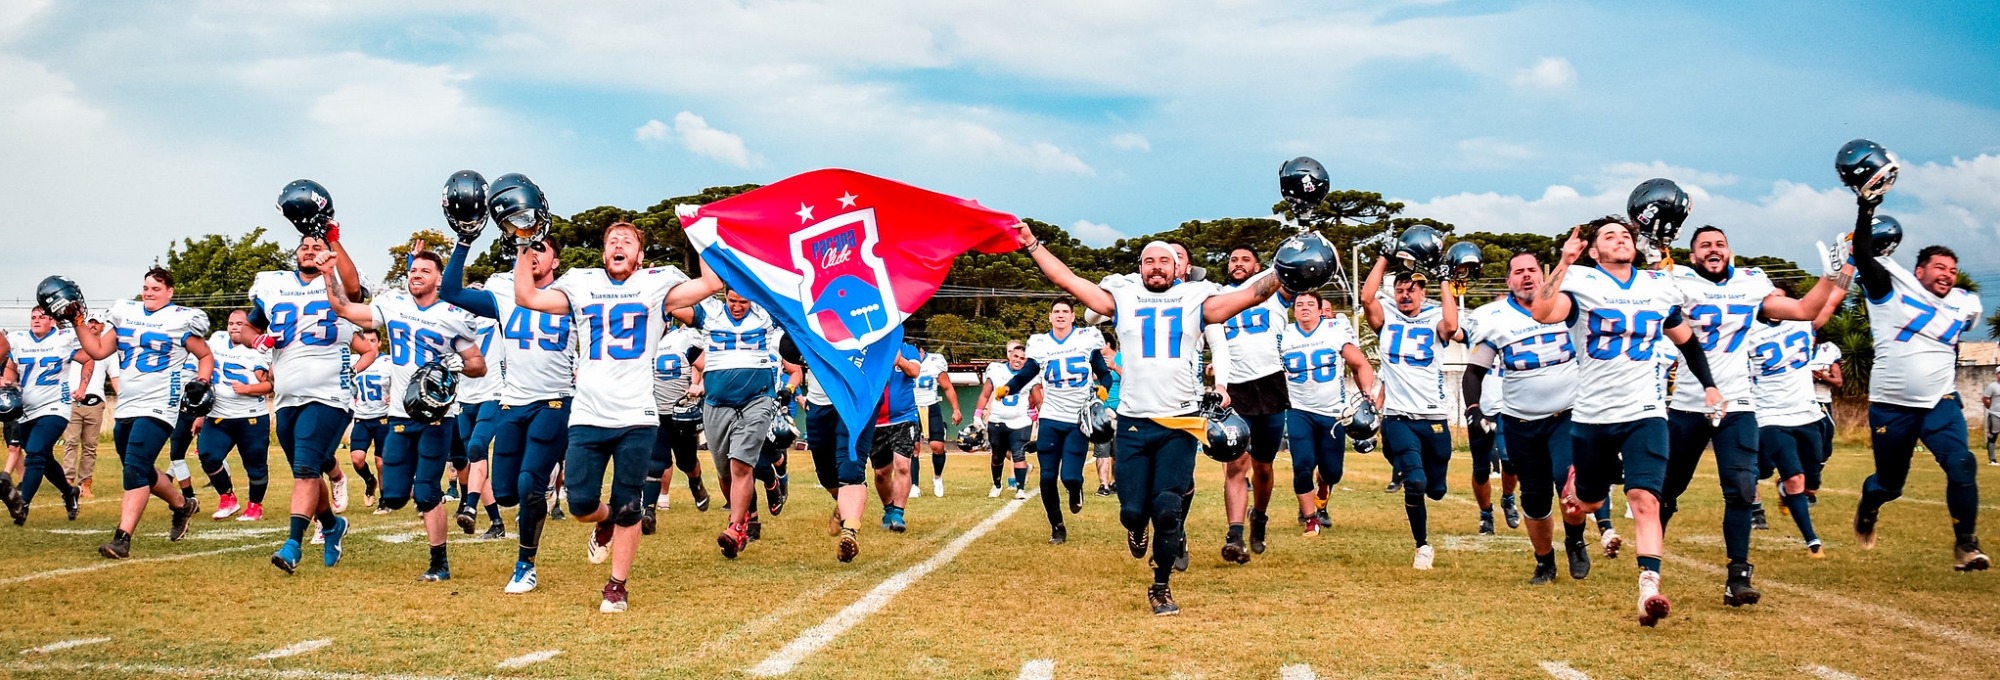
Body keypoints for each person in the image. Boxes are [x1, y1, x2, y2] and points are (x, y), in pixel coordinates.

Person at [1014, 226, 1283, 616]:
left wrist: (1284, 271)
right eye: (1149, 261)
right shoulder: (1122, 296)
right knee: (1132, 512)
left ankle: (1161, 586)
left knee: (1168, 507)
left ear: (1178, 268)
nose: (1157, 267)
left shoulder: (1196, 298)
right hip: (1135, 423)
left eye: (1165, 261)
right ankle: (1136, 529)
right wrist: (1032, 245)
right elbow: (1067, 279)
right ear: (1139, 267)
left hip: (1179, 422)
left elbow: (1250, 295)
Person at [513, 221, 722, 610]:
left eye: (628, 241)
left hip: (637, 414)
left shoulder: (656, 285)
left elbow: (710, 284)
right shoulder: (580, 282)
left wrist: (701, 234)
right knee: (579, 503)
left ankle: (616, 585)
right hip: (589, 412)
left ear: (640, 257)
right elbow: (526, 295)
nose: (619, 244)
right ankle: (604, 520)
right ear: (604, 252)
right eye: (612, 240)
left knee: (631, 504)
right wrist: (524, 243)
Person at [1529, 216, 1722, 627]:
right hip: (1593, 416)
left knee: (1645, 500)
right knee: (1591, 501)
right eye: (1609, 236)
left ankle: (1648, 588)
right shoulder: (1582, 280)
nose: (1620, 240)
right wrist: (1563, 262)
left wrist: (1709, 385)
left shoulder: (1657, 286)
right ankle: (1577, 485)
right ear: (1594, 250)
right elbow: (1543, 311)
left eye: (1625, 235)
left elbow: (1686, 340)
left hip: (1645, 412)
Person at [1656, 225, 1849, 606]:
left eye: (1720, 244)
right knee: (1668, 489)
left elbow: (1804, 310)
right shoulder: (1678, 280)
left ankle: (1738, 576)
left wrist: (1831, 276)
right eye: (1705, 245)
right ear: (1693, 255)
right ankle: (1651, 565)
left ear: (1730, 251)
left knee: (1742, 489)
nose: (1714, 249)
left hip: (1737, 403)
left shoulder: (1751, 282)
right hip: (1689, 404)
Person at [317, 248, 488, 580]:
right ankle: (414, 506)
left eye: (425, 270)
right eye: (414, 270)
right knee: (393, 496)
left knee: (425, 491)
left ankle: (440, 563)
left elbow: (478, 364)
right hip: (398, 414)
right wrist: (328, 272)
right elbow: (343, 307)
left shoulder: (452, 313)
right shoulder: (393, 306)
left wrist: (456, 364)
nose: (417, 274)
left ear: (439, 279)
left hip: (437, 416)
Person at [1848, 198, 1988, 571]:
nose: (1947, 274)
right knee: (1891, 485)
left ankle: (1966, 546)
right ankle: (1870, 502)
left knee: (1962, 462)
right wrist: (1865, 209)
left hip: (1940, 401)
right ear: (1919, 271)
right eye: (1939, 267)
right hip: (1891, 405)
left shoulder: (1963, 304)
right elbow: (1863, 254)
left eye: (1953, 270)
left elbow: (1960, 330)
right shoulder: (1890, 291)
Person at [440, 235, 578, 593]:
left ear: (556, 262)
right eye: (527, 248)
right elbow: (451, 291)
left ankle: (525, 564)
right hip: (512, 402)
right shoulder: (504, 291)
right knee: (505, 493)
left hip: (555, 400)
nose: (533, 254)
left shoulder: (572, 294)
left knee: (529, 482)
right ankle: (533, 502)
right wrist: (464, 241)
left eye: (541, 249)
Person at [1461, 252, 1589, 584]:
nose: (1527, 276)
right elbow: (1474, 371)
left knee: (1567, 481)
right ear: (1508, 281)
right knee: (1534, 497)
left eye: (1532, 270)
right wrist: (1473, 410)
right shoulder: (1495, 317)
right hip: (1520, 421)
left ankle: (1575, 541)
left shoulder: (1565, 308)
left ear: (1544, 275)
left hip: (1567, 413)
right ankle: (1545, 561)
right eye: (1519, 272)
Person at [75, 267, 213, 559]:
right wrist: (77, 322)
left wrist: (202, 381)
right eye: (146, 287)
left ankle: (122, 539)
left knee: (136, 467)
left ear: (170, 292)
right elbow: (98, 350)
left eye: (156, 288)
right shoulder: (126, 312)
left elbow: (205, 354)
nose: (149, 293)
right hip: (127, 403)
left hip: (160, 404)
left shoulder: (180, 319)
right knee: (137, 468)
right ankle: (181, 504)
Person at [246, 231, 368, 561]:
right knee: (308, 472)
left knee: (304, 469)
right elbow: (248, 326)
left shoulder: (338, 280)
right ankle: (331, 524)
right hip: (287, 395)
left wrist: (334, 244)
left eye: (318, 246)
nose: (310, 251)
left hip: (330, 394)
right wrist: (257, 340)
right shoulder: (275, 285)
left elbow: (354, 289)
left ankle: (292, 545)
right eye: (305, 246)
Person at [1359, 253, 1459, 570]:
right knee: (1415, 483)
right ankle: (1423, 546)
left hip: (1434, 416)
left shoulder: (1434, 317)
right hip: (1398, 415)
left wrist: (1445, 279)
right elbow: (1366, 297)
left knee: (1438, 490)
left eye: (1411, 289)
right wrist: (1383, 259)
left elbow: (1453, 324)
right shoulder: (1386, 316)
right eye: (1400, 288)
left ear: (1422, 293)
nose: (1405, 294)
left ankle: (1428, 484)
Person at [673, 289, 786, 560]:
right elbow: (677, 307)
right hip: (716, 403)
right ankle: (743, 518)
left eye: (743, 302)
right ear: (725, 297)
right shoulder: (709, 314)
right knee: (725, 473)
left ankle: (736, 527)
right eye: (733, 301)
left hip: (757, 399)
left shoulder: (765, 314)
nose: (737, 307)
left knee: (741, 465)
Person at [1746, 281, 1845, 558]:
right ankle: (1812, 540)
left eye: (1781, 299)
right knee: (1795, 477)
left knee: (1810, 483)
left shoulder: (1804, 323)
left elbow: (1834, 297)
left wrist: (1849, 263)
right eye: (1771, 299)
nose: (1777, 305)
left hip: (1809, 413)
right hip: (1771, 416)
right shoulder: (1748, 332)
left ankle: (1783, 488)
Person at [998, 301, 1111, 544]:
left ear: (1073, 316)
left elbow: (1104, 373)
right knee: (1047, 477)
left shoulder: (1086, 338)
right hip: (1050, 416)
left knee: (1069, 477)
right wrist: (1009, 388)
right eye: (1056, 312)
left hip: (1078, 419)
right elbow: (1027, 374)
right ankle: (1057, 526)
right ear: (1050, 317)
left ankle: (1076, 487)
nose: (1060, 315)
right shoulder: (1041, 344)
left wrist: (1103, 389)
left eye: (1065, 312)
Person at [1208, 247, 1291, 562]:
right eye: (1232, 259)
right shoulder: (1218, 297)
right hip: (1234, 389)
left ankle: (1260, 515)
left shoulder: (1270, 291)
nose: (1238, 263)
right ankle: (1236, 535)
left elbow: (1294, 271)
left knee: (1264, 467)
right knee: (1236, 464)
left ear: (1257, 266)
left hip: (1269, 384)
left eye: (1245, 259)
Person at [1277, 290, 1377, 537]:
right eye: (1299, 304)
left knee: (1332, 472)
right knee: (1302, 465)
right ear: (1294, 309)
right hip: (1299, 410)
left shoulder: (1334, 331)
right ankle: (1311, 519)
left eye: (1311, 304)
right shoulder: (1284, 334)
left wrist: (1367, 392)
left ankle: (1323, 484)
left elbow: (1361, 364)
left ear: (1320, 309)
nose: (1304, 308)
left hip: (1333, 413)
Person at [1, 307, 88, 525]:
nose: (37, 320)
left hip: (55, 406)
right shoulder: (19, 339)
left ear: (52, 321)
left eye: (42, 317)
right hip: (27, 409)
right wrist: (8, 382)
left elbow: (90, 356)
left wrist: (83, 384)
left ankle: (23, 504)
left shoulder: (63, 338)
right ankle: (70, 492)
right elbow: (11, 367)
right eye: (33, 317)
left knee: (36, 455)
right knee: (43, 457)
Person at [197, 310, 275, 522]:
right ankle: (227, 498)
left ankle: (254, 507)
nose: (234, 327)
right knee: (207, 455)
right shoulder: (217, 340)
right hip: (218, 415)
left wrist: (248, 389)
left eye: (240, 323)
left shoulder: (257, 351)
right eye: (231, 323)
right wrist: (200, 413)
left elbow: (270, 385)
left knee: (255, 464)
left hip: (250, 417)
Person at [648, 323, 709, 524]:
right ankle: (648, 511)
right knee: (655, 463)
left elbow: (708, 367)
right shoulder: (640, 342)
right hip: (654, 413)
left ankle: (696, 483)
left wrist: (698, 385)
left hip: (681, 412)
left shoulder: (683, 339)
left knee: (687, 462)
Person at [871, 343, 924, 532]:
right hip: (875, 421)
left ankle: (898, 514)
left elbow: (915, 371)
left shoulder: (908, 350)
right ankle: (888, 508)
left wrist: (899, 360)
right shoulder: (867, 349)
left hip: (904, 418)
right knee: (880, 474)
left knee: (902, 465)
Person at [977, 341, 1037, 499]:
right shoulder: (996, 371)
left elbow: (1039, 399)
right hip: (998, 420)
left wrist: (1041, 417)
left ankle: (1020, 489)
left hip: (1021, 421)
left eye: (1022, 358)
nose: (1018, 360)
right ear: (1009, 356)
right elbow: (985, 394)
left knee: (1019, 454)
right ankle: (997, 485)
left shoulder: (1030, 376)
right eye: (1015, 356)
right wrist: (978, 414)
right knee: (997, 456)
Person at [347, 330, 388, 512]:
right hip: (362, 417)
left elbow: (404, 382)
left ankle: (384, 500)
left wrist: (395, 395)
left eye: (373, 340)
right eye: (366, 340)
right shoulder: (354, 360)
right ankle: (369, 480)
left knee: (381, 462)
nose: (369, 344)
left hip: (384, 418)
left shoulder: (388, 362)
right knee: (357, 459)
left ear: (379, 343)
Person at [912, 343, 959, 498]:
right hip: (911, 408)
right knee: (913, 448)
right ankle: (914, 485)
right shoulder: (903, 362)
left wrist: (956, 409)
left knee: (937, 446)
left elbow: (947, 387)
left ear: (922, 350)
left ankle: (937, 477)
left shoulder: (934, 361)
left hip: (931, 406)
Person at [62, 348, 109, 498]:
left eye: (97, 322)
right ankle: (67, 482)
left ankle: (85, 483)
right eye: (90, 322)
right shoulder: (72, 347)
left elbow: (115, 376)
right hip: (72, 401)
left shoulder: (107, 352)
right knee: (71, 442)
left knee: (90, 445)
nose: (93, 325)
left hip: (95, 403)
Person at [1095, 344, 1121, 496]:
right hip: (1101, 410)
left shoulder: (1123, 357)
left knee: (1118, 451)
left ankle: (1115, 482)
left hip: (1121, 411)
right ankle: (1103, 485)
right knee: (1102, 449)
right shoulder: (1095, 359)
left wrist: (1114, 366)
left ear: (1108, 344)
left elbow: (1131, 378)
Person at [1982, 367, 2000, 466]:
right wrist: (1991, 408)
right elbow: (1985, 398)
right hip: (1995, 414)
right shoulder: (1992, 386)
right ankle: (1992, 459)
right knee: (1993, 436)